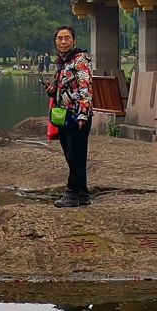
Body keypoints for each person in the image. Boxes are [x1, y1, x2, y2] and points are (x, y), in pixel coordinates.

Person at [44, 23, 93, 207]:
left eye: (67, 38)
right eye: (59, 38)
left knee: (75, 156)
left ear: (74, 40)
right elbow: (65, 87)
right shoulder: (62, 61)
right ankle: (83, 193)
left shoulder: (79, 60)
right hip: (63, 115)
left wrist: (83, 115)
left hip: (77, 116)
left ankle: (72, 193)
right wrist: (52, 90)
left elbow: (85, 88)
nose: (63, 42)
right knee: (72, 155)